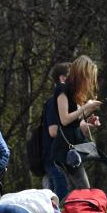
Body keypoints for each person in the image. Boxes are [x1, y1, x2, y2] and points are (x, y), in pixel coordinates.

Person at [51, 55, 102, 189]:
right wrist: (85, 107)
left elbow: (75, 122)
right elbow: (65, 119)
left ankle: (60, 209)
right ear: (82, 74)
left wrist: (89, 117)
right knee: (83, 189)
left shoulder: (74, 93)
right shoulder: (62, 90)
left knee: (76, 190)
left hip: (73, 147)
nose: (91, 81)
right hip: (65, 150)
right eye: (89, 77)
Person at [41, 63, 70, 201]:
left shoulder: (65, 101)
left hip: (59, 155)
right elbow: (53, 131)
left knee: (53, 191)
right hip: (53, 156)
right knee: (60, 190)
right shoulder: (54, 102)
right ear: (62, 78)